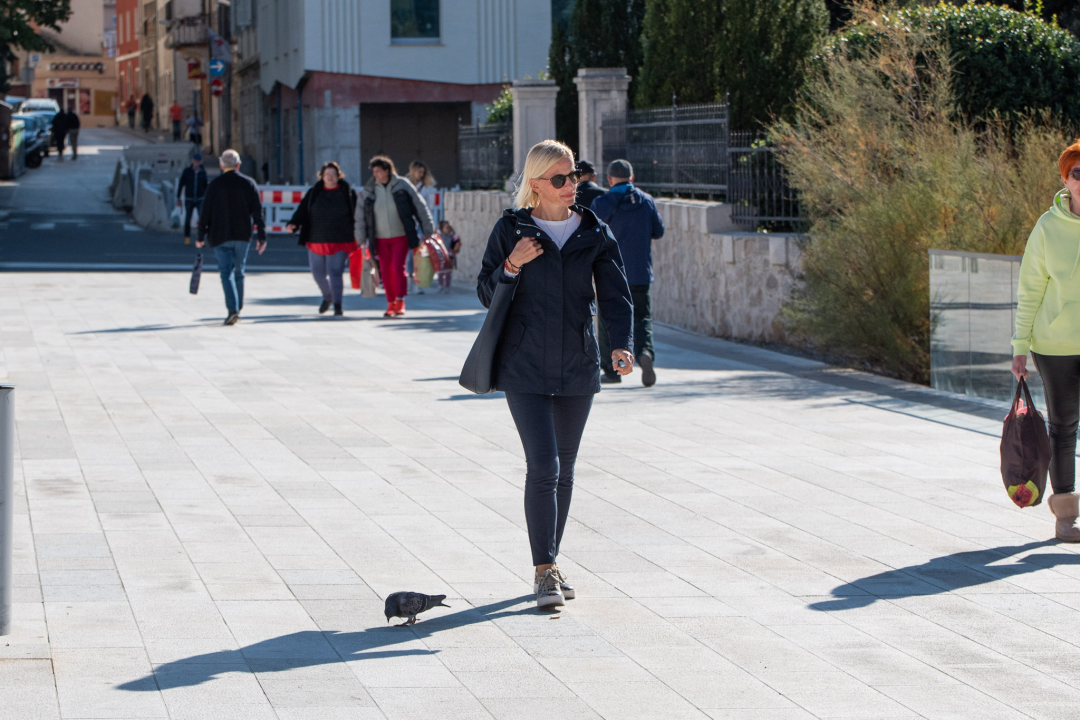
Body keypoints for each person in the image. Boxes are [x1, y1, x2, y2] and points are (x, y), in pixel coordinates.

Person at [477, 139, 634, 609]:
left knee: (565, 470)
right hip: (523, 364)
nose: (571, 186)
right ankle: (544, 571)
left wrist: (621, 343)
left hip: (577, 363)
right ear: (537, 183)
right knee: (544, 466)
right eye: (560, 178)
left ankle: (552, 562)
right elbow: (485, 292)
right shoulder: (513, 229)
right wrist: (512, 264)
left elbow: (615, 294)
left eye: (575, 176)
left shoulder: (594, 230)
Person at [591, 159, 665, 387]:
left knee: (608, 320)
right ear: (632, 178)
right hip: (640, 272)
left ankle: (613, 370)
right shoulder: (646, 201)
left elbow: (591, 236)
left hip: (611, 274)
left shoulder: (601, 203)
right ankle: (645, 353)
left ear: (609, 180)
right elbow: (658, 231)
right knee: (642, 317)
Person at [196, 150, 267, 326]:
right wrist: (262, 236)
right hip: (243, 235)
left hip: (220, 235)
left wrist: (200, 236)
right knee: (239, 272)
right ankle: (237, 308)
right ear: (238, 165)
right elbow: (258, 212)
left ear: (221, 165)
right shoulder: (249, 183)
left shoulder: (214, 185)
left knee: (226, 273)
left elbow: (206, 213)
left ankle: (232, 310)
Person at [361, 155, 435, 318]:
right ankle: (390, 303)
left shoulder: (402, 184)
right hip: (379, 238)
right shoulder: (371, 188)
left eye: (378, 171)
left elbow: (420, 206)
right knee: (385, 271)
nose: (375, 174)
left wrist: (428, 230)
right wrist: (360, 238)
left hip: (400, 236)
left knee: (397, 268)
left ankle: (400, 302)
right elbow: (360, 214)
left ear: (387, 170)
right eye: (374, 171)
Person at [286, 161, 359, 317]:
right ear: (322, 176)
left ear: (339, 176)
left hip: (340, 239)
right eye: (327, 175)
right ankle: (328, 297)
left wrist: (361, 233)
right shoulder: (314, 193)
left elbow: (357, 215)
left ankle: (338, 305)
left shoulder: (347, 193)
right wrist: (293, 223)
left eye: (333, 174)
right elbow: (302, 211)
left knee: (335, 272)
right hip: (316, 239)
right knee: (317, 273)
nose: (330, 177)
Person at [408, 160, 438, 295]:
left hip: (420, 225)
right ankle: (409, 282)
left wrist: (431, 226)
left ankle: (417, 283)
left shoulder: (425, 189)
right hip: (409, 224)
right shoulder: (407, 185)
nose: (421, 174)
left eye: (423, 172)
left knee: (419, 254)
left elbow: (429, 209)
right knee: (409, 255)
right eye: (419, 172)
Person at [176, 153, 208, 246]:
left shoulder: (202, 172)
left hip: (200, 198)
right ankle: (187, 237)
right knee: (188, 219)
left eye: (198, 161)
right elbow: (181, 184)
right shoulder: (187, 171)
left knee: (202, 219)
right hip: (189, 198)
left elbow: (206, 185)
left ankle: (201, 239)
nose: (196, 162)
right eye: (195, 160)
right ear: (192, 161)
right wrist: (178, 197)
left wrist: (207, 197)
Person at [436, 220, 460, 293]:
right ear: (442, 229)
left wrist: (454, 250)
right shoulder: (439, 238)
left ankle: (447, 286)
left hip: (450, 258)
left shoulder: (453, 238)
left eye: (449, 227)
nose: (448, 229)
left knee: (448, 273)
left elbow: (455, 247)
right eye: (446, 228)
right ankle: (440, 285)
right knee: (441, 272)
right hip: (441, 258)